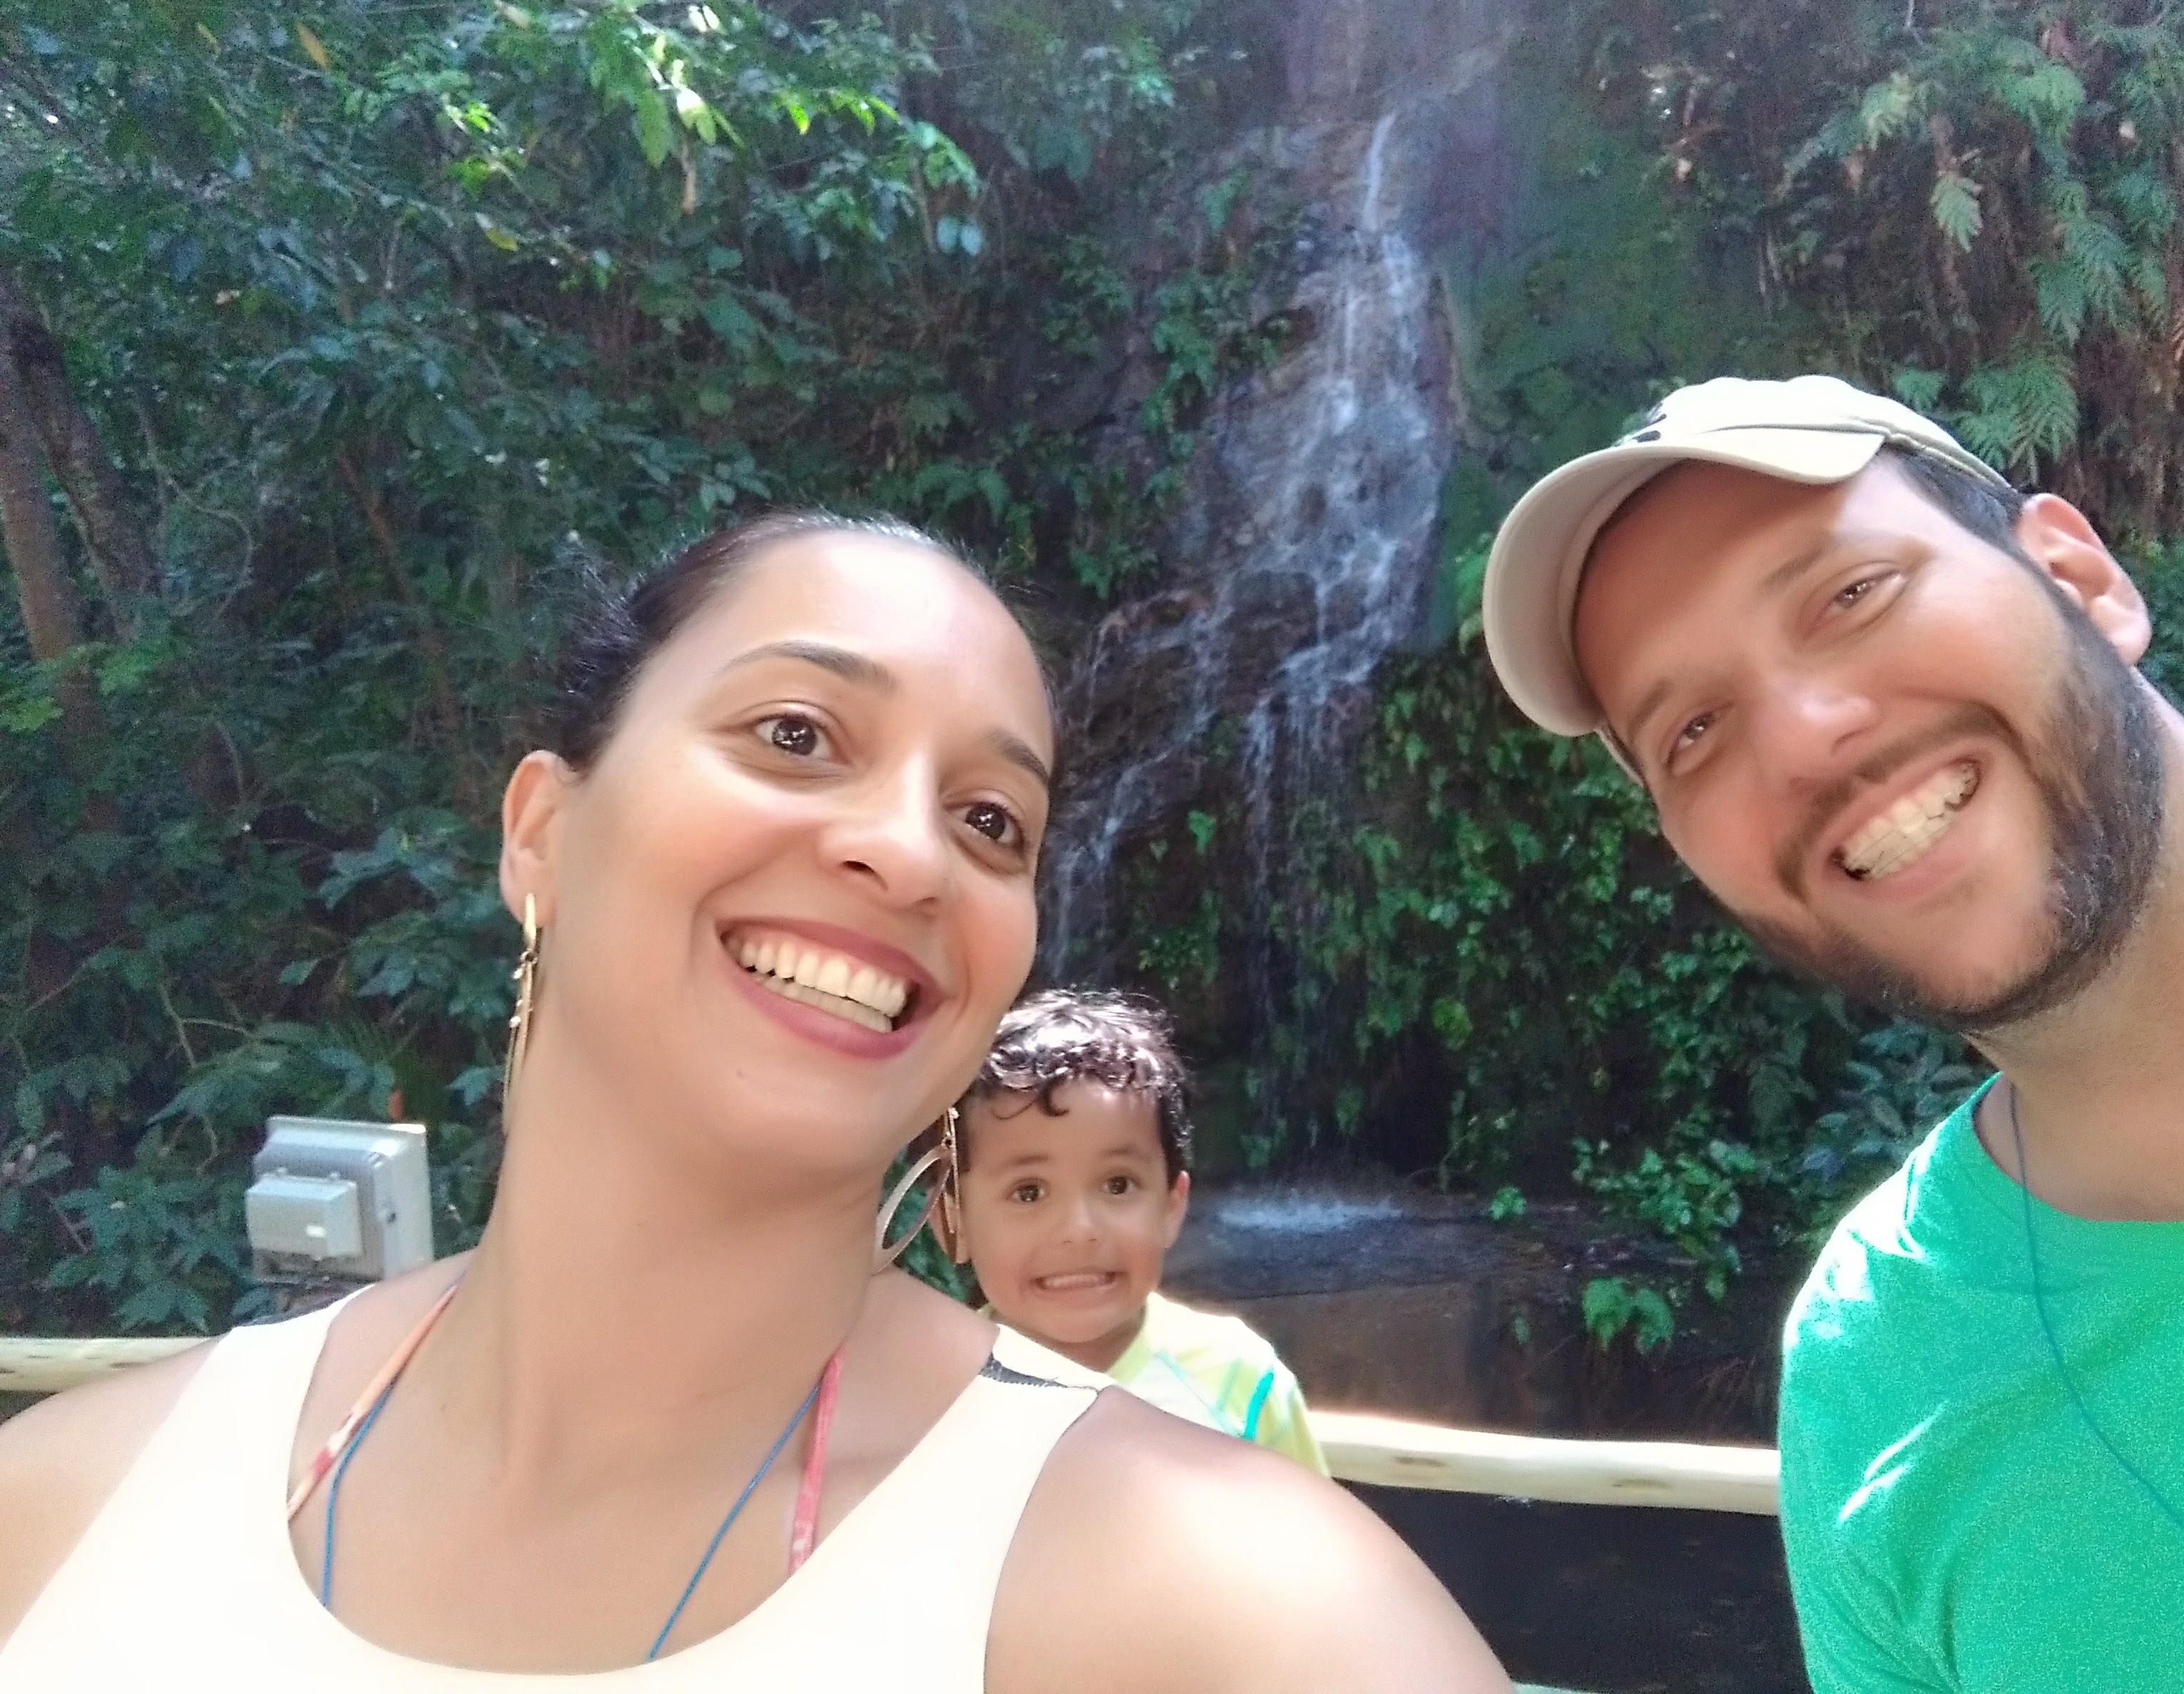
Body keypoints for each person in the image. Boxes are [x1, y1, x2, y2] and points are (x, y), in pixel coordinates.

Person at [0, 510, 1507, 1691]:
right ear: (541, 829)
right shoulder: (67, 1511)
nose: (907, 853)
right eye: (796, 734)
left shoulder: (1229, 1606)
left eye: (992, 821)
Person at [1479, 376, 2184, 1688]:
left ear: (2080, 577)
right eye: (1692, 730)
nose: (1805, 742)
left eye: (1850, 595)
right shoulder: (1874, 1374)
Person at [950, 988, 1330, 1474]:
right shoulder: (929, 1394)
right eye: (1029, 1192)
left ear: (1172, 1206)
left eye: (1118, 1184)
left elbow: (1309, 1523)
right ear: (953, 1224)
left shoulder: (1241, 1381)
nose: (1080, 1231)